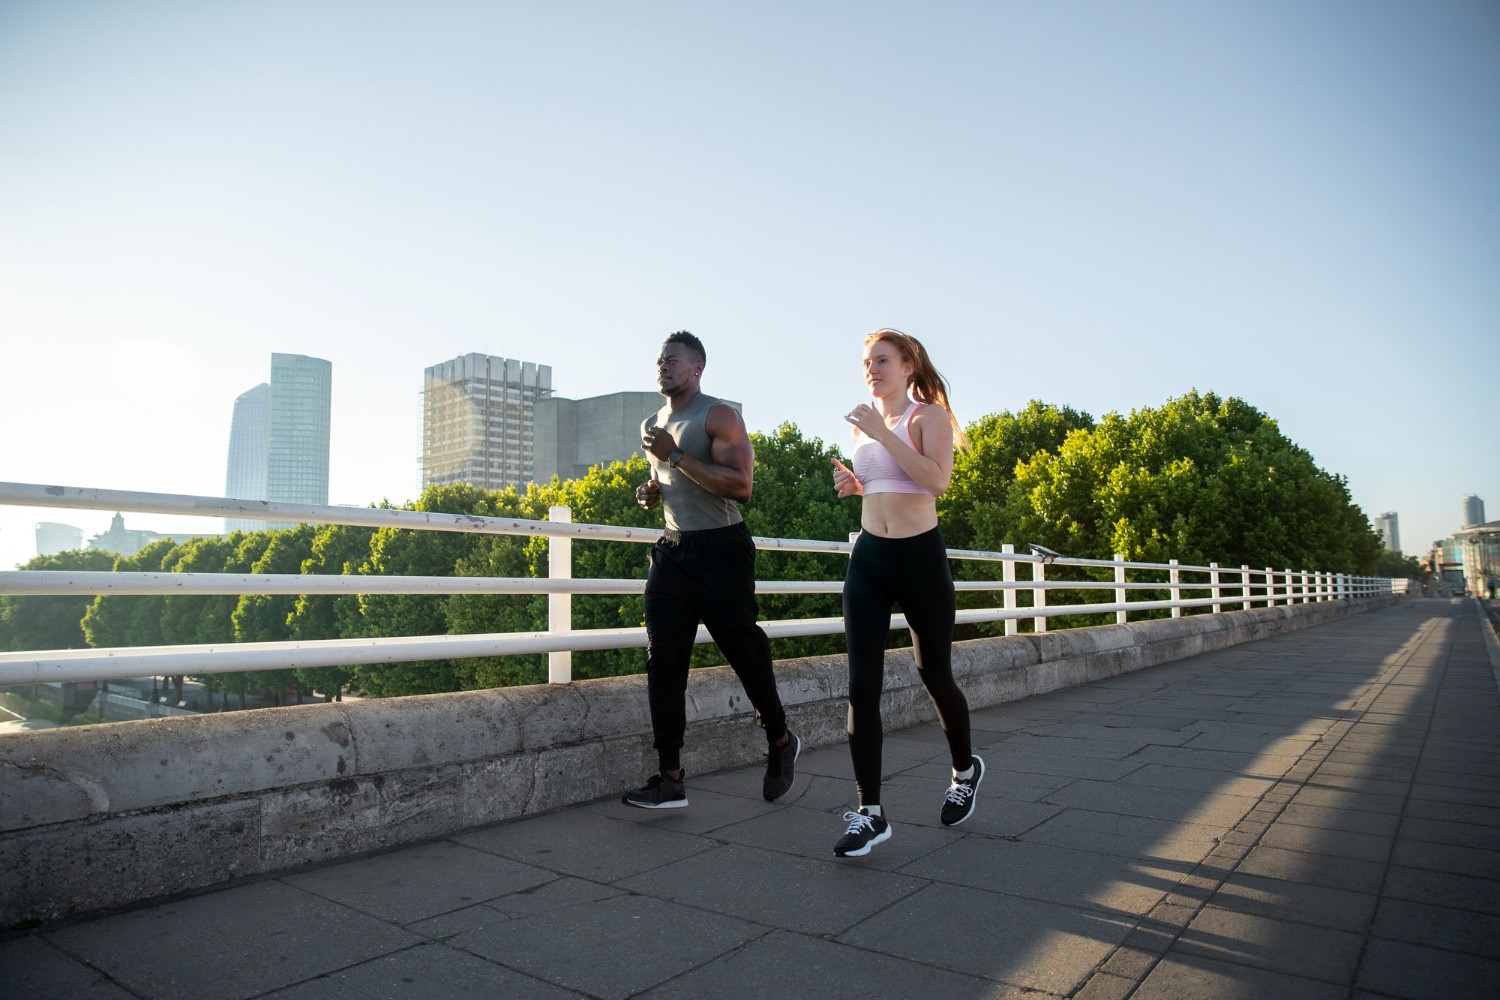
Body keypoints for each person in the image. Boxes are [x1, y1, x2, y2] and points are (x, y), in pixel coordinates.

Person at [622, 331, 800, 809]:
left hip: (722, 549)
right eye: (660, 360)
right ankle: (670, 779)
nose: (663, 366)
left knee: (744, 651)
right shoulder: (652, 424)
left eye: (673, 360)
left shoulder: (718, 415)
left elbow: (741, 486)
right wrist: (652, 490)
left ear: (697, 368)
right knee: (663, 661)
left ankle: (780, 739)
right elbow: (669, 479)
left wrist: (675, 456)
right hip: (673, 550)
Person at [828, 328, 982, 857]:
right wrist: (859, 486)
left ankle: (964, 771)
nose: (871, 369)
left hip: (920, 560)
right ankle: (869, 813)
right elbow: (888, 483)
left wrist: (881, 432)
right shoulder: (863, 427)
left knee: (934, 673)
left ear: (908, 366)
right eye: (866, 362)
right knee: (861, 685)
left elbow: (936, 481)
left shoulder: (926, 417)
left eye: (882, 360)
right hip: (870, 559)